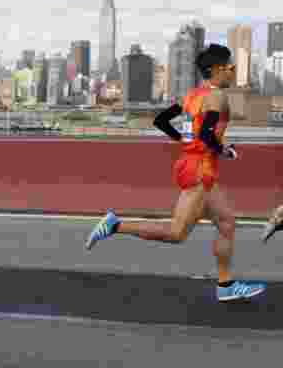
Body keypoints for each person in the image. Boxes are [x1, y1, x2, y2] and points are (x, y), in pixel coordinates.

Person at [85, 43, 265, 303]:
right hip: (200, 169)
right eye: (230, 67)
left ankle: (226, 284)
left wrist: (183, 139)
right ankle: (115, 225)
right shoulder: (217, 97)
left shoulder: (192, 95)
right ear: (217, 69)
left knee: (226, 222)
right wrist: (224, 150)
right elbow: (206, 134)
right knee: (177, 233)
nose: (233, 72)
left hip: (192, 164)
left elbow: (161, 121)